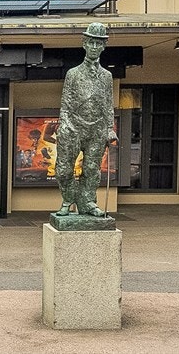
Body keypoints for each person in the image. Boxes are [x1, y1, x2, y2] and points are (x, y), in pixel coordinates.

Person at [54, 21, 115, 219]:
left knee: (91, 169)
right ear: (84, 44)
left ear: (104, 47)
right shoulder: (73, 74)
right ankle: (69, 199)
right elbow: (65, 104)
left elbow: (108, 104)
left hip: (96, 129)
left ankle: (88, 202)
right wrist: (64, 124)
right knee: (63, 169)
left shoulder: (106, 76)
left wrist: (109, 128)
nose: (95, 47)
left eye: (99, 44)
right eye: (91, 43)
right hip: (74, 128)